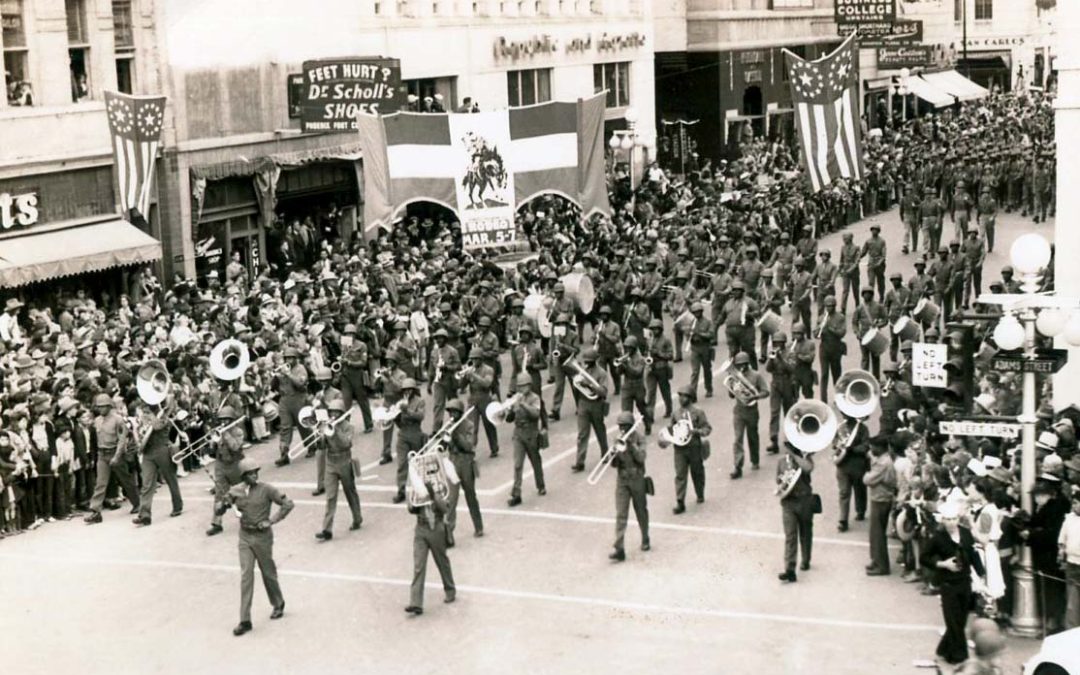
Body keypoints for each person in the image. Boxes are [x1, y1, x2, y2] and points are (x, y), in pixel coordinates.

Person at [228, 458, 292, 636]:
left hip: (262, 536)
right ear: (243, 476)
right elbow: (224, 503)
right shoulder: (236, 490)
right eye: (250, 473)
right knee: (246, 576)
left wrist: (271, 520)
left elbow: (288, 504)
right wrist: (220, 506)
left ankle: (278, 603)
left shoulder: (267, 489)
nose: (254, 475)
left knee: (268, 573)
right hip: (245, 536)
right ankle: (245, 620)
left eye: (256, 471)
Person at [921, 501, 985, 667]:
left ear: (958, 519)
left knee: (961, 619)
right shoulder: (938, 538)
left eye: (954, 519)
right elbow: (924, 557)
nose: (951, 522)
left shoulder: (965, 534)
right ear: (943, 520)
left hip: (965, 582)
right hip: (948, 584)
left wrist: (982, 574)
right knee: (953, 620)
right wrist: (943, 564)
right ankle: (960, 656)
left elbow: (972, 554)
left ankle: (944, 650)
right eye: (948, 519)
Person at [405, 478, 456, 616]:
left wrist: (432, 493)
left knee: (441, 561)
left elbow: (445, 508)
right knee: (418, 565)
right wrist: (413, 495)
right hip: (421, 527)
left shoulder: (439, 483)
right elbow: (411, 508)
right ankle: (416, 602)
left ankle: (450, 589)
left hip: (436, 527)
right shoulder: (416, 484)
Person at [85, 394, 138, 523]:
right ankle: (95, 511)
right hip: (102, 454)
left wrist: (117, 456)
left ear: (109, 406)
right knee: (100, 483)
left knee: (126, 480)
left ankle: (137, 503)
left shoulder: (118, 420)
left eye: (103, 407)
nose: (100, 409)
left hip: (115, 453)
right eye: (99, 407)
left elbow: (122, 440)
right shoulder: (97, 421)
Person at [315, 399, 363, 542]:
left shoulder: (348, 427)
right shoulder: (326, 425)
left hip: (344, 461)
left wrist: (334, 430)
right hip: (330, 462)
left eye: (336, 412)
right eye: (332, 412)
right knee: (330, 497)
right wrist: (320, 437)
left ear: (342, 413)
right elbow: (322, 447)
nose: (334, 415)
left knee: (350, 492)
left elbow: (347, 443)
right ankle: (327, 529)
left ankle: (357, 518)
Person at [133, 402, 184, 527]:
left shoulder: (163, 417)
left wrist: (152, 417)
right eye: (144, 411)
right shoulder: (143, 419)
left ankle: (177, 506)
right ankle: (145, 514)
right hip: (148, 453)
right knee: (147, 484)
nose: (145, 414)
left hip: (162, 450)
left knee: (171, 479)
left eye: (147, 412)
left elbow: (156, 427)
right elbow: (139, 434)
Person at [609, 411, 649, 561]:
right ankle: (619, 548)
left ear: (631, 426)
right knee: (621, 514)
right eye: (621, 426)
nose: (623, 430)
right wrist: (612, 453)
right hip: (622, 480)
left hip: (637, 478)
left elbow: (641, 458)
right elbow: (613, 464)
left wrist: (631, 446)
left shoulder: (640, 438)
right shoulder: (617, 439)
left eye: (625, 426)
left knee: (641, 511)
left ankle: (645, 537)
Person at [668, 384, 711, 514]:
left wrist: (696, 431)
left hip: (694, 446)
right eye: (680, 396)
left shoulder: (698, 412)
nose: (681, 399)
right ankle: (680, 501)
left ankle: (700, 493)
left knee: (697, 472)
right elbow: (672, 428)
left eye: (684, 396)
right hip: (680, 448)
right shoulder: (676, 413)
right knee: (680, 475)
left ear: (690, 397)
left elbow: (707, 428)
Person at [444, 399, 483, 542]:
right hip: (453, 462)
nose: (452, 415)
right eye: (450, 412)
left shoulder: (469, 425)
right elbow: (443, 447)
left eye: (454, 412)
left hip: (466, 463)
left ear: (460, 412)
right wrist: (444, 439)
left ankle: (478, 526)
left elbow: (468, 446)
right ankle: (449, 534)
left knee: (470, 496)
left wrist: (455, 436)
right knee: (451, 499)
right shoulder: (448, 425)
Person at [777, 442, 815, 583]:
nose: (784, 450)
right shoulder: (781, 462)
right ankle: (790, 569)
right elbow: (778, 479)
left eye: (787, 448)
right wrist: (782, 481)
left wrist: (795, 457)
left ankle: (806, 559)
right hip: (788, 502)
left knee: (805, 533)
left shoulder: (805, 459)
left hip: (804, 500)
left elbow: (808, 468)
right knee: (790, 536)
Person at [206, 406, 245, 537]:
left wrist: (226, 434)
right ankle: (216, 523)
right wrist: (212, 443)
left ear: (232, 419)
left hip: (235, 464)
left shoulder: (238, 431)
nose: (224, 423)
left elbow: (235, 447)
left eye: (227, 420)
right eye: (222, 420)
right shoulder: (218, 432)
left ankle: (249, 517)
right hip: (221, 465)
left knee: (240, 493)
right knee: (219, 494)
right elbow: (212, 453)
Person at [507, 373, 545, 507]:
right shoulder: (516, 399)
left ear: (529, 385)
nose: (521, 389)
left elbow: (535, 414)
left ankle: (540, 485)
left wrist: (522, 404)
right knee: (518, 464)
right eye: (520, 386)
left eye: (524, 386)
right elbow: (509, 419)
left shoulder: (535, 398)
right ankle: (516, 494)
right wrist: (508, 410)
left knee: (535, 460)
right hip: (518, 433)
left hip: (531, 432)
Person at [729, 351, 768, 479]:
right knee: (737, 439)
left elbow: (766, 391)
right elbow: (730, 395)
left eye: (743, 364)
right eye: (738, 365)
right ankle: (737, 466)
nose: (741, 367)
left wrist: (756, 396)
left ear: (748, 363)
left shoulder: (756, 375)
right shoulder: (735, 376)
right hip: (739, 411)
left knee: (753, 436)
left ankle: (755, 460)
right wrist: (732, 386)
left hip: (752, 411)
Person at [572, 347, 610, 473]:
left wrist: (589, 385)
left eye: (589, 361)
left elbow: (603, 392)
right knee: (582, 434)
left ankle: (605, 453)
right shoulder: (583, 371)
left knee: (600, 430)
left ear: (595, 360)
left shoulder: (602, 373)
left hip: (596, 405)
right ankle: (580, 462)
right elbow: (576, 389)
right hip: (583, 403)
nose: (586, 363)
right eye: (586, 361)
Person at [863, 435, 897, 575]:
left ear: (881, 448)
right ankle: (876, 560)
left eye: (874, 447)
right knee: (875, 533)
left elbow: (868, 480)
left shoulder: (883, 464)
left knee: (877, 534)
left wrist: (867, 473)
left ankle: (881, 565)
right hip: (880, 497)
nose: (871, 449)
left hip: (881, 499)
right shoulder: (883, 459)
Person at [273, 347, 312, 467]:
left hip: (298, 398)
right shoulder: (282, 369)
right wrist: (276, 376)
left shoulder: (300, 369)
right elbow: (273, 386)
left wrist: (288, 374)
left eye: (291, 358)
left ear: (295, 358)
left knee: (303, 424)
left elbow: (301, 384)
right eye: (287, 358)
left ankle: (311, 445)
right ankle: (284, 454)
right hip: (284, 400)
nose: (288, 360)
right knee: (285, 427)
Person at [833, 413, 869, 532]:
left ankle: (860, 510)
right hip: (842, 465)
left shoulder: (862, 429)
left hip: (857, 464)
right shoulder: (840, 428)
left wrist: (852, 449)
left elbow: (865, 446)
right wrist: (838, 446)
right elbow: (834, 444)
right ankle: (843, 520)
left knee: (859, 489)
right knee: (844, 492)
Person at [392, 378, 426, 504]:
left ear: (414, 390)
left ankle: (421, 490)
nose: (407, 392)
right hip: (403, 434)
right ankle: (400, 491)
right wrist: (394, 416)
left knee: (418, 464)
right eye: (405, 390)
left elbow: (421, 416)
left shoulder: (420, 401)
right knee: (402, 464)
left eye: (410, 389)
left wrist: (407, 410)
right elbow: (399, 422)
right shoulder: (400, 402)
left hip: (416, 433)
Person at [644, 318, 674, 421]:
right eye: (653, 329)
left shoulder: (666, 340)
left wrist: (659, 354)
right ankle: (650, 414)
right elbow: (645, 353)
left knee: (665, 390)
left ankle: (669, 409)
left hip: (662, 368)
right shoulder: (649, 340)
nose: (654, 331)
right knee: (650, 392)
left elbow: (670, 355)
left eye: (656, 329)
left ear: (660, 329)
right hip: (651, 369)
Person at [1060, 489, 1080, 629]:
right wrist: (1061, 554)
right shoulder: (1069, 519)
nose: (1073, 506)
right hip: (1072, 564)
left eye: (1076, 503)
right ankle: (1072, 632)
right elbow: (1062, 540)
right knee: (1072, 604)